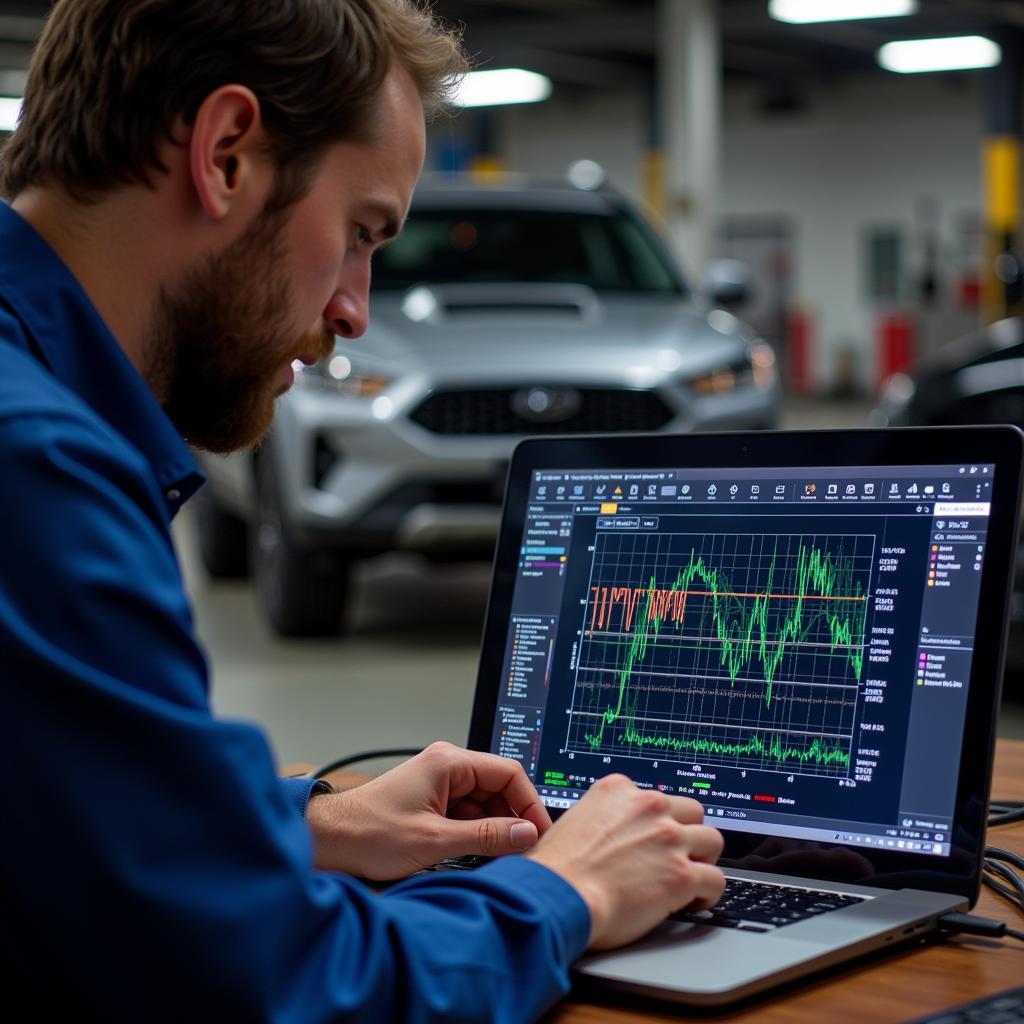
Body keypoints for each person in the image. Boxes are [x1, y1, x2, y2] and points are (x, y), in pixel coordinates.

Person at [0, 1, 725, 1020]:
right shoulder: (38, 465)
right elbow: (276, 986)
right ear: (226, 155)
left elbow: (50, 801)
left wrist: (298, 825)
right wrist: (567, 889)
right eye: (359, 234)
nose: (353, 310)